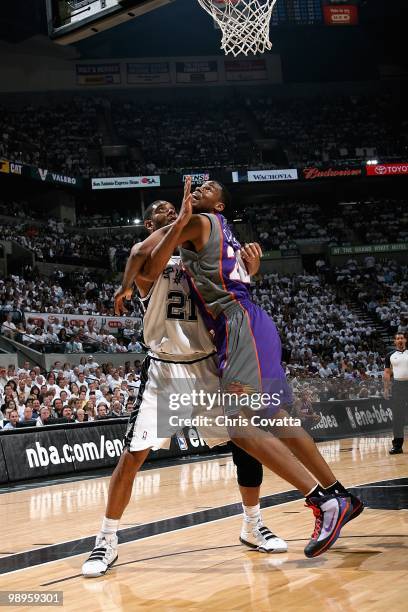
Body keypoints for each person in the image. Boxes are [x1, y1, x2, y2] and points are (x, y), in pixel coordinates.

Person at [131, 178, 363, 555]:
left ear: (218, 206)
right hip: (247, 324)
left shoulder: (198, 223)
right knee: (278, 419)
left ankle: (322, 500)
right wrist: (251, 271)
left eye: (208, 189)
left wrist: (128, 277)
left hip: (238, 327)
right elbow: (220, 275)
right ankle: (338, 493)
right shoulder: (219, 232)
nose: (199, 191)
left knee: (239, 426)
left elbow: (149, 250)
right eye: (199, 187)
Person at [82, 195, 287, 579]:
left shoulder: (199, 253)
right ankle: (106, 539)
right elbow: (155, 261)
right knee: (134, 455)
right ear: (149, 226)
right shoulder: (148, 258)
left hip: (208, 365)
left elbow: (232, 294)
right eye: (160, 211)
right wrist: (178, 227)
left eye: (173, 211)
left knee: (244, 442)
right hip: (165, 370)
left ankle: (252, 524)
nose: (170, 212)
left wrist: (249, 272)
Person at [384, 332, 408, 454]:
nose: (400, 340)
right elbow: (387, 373)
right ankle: (397, 446)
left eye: (401, 338)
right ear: (394, 341)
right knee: (398, 417)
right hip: (398, 386)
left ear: (405, 340)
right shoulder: (390, 355)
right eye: (397, 338)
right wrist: (386, 389)